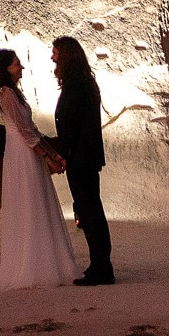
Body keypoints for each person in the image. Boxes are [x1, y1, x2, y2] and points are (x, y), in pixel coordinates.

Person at [0, 46, 79, 290]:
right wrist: (48, 157)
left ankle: (46, 262)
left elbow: (31, 129)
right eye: (17, 63)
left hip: (27, 151)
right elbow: (23, 131)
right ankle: (32, 267)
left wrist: (51, 153)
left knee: (37, 203)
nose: (21, 67)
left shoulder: (15, 93)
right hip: (21, 154)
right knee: (29, 203)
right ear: (6, 68)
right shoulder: (6, 93)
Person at [53, 35, 114, 284]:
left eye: (55, 53)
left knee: (90, 211)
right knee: (89, 210)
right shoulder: (82, 82)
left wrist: (61, 153)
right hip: (83, 156)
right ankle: (99, 264)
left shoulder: (77, 85)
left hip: (81, 157)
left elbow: (72, 125)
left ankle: (102, 268)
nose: (52, 57)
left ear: (66, 55)